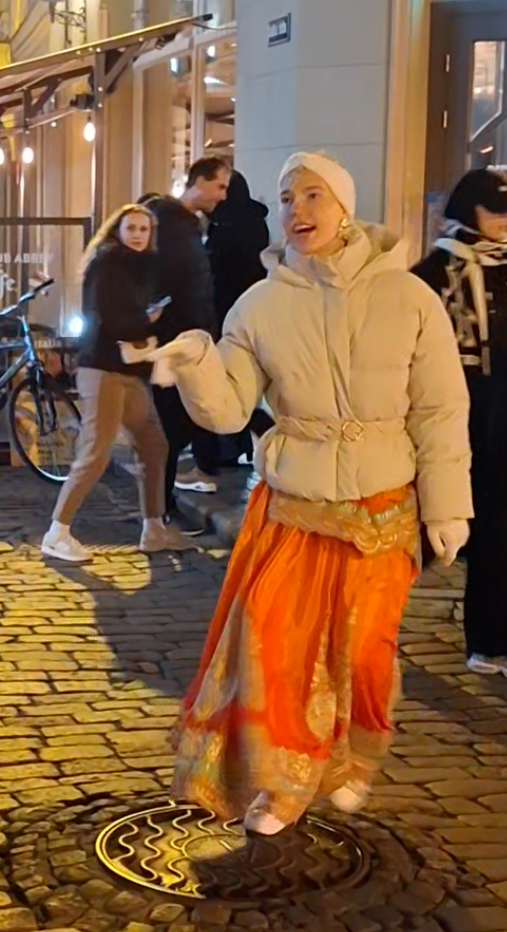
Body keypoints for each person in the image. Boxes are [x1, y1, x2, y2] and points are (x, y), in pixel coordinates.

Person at [148, 152, 471, 835]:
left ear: (343, 206)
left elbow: (440, 409)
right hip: (292, 504)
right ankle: (284, 783)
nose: (297, 210)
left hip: (383, 505)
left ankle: (352, 761)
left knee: (362, 650)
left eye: (313, 195)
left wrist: (446, 507)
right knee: (276, 643)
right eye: (287, 196)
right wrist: (197, 365)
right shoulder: (259, 305)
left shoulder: (407, 297)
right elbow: (230, 412)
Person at [41, 204, 196, 563]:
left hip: (129, 370)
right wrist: (147, 318)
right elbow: (108, 317)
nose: (139, 234)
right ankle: (57, 531)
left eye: (144, 229)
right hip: (105, 368)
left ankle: (154, 527)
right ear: (118, 231)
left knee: (154, 444)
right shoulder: (107, 265)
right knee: (96, 452)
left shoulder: (141, 268)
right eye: (132, 228)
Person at [413, 168, 507, 676]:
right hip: (458, 413)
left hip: (504, 417)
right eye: (494, 211)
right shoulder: (438, 270)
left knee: (498, 529)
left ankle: (492, 640)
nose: (503, 222)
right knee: (437, 525)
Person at [145, 157, 230, 513]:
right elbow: (181, 284)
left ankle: (161, 506)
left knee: (177, 424)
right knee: (171, 426)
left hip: (184, 339)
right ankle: (160, 508)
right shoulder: (173, 224)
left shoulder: (184, 224)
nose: (223, 196)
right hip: (176, 341)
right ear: (198, 181)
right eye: (220, 186)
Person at [205, 170, 273, 462]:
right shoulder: (257, 223)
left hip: (226, 312)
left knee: (227, 382)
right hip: (255, 311)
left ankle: (230, 447)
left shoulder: (226, 226)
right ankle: (244, 442)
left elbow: (217, 271)